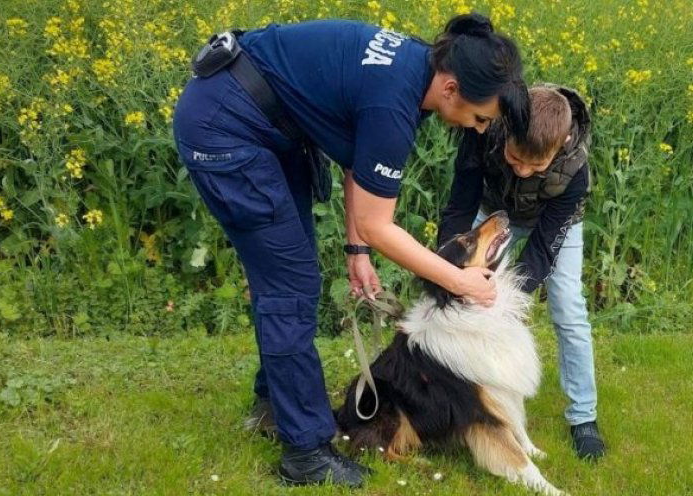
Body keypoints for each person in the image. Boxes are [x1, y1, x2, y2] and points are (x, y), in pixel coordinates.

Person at [172, 13, 529, 488]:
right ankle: (305, 453)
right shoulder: (394, 101)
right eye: (481, 117)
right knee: (290, 286)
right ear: (451, 88)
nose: (481, 130)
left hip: (263, 124)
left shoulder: (417, 70)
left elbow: (359, 165)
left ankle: (274, 409)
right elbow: (381, 224)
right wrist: (458, 279)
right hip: (228, 129)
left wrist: (356, 248)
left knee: (288, 281)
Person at [438, 84, 605, 460]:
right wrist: (448, 269)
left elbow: (543, 248)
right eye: (515, 159)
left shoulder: (575, 172)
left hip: (553, 222)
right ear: (508, 130)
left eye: (537, 165)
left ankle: (583, 417)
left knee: (568, 309)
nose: (525, 171)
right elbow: (460, 204)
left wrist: (502, 299)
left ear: (561, 143)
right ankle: (459, 394)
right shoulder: (483, 130)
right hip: (495, 213)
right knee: (454, 290)